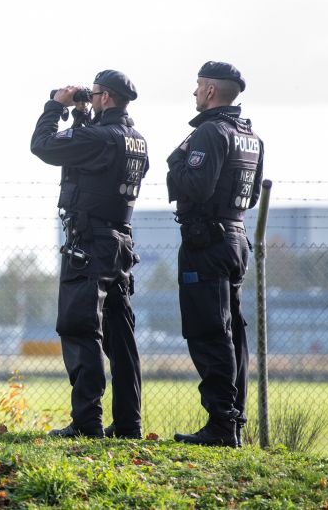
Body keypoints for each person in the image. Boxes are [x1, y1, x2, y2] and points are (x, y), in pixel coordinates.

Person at [30, 70, 149, 439]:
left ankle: (87, 421)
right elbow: (90, 163)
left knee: (80, 327)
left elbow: (43, 145)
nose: (91, 98)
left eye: (94, 94)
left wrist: (57, 105)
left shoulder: (98, 138)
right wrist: (82, 114)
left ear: (107, 98)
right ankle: (129, 424)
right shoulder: (136, 140)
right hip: (119, 244)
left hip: (89, 244)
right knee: (120, 335)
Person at [166, 61, 265, 447]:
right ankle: (233, 421)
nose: (193, 93)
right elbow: (252, 196)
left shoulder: (210, 132)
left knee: (209, 332)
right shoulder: (251, 137)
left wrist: (176, 162)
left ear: (210, 91)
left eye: (197, 87)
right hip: (236, 239)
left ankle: (221, 424)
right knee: (232, 332)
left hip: (206, 244)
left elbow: (197, 187)